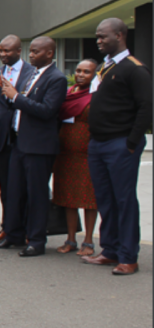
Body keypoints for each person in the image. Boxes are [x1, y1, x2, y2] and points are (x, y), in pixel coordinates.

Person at [82, 18, 152, 276]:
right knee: (106, 200)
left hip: (121, 144)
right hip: (97, 144)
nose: (98, 41)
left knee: (124, 201)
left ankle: (128, 257)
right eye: (97, 37)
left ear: (120, 35)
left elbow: (146, 107)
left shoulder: (135, 69)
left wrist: (132, 142)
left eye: (103, 36)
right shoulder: (104, 68)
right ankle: (110, 251)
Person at [0, 37, 67, 257]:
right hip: (19, 143)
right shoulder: (32, 75)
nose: (31, 55)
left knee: (36, 195)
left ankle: (36, 240)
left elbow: (46, 110)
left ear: (49, 54)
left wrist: (15, 96)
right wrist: (10, 93)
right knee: (14, 192)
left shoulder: (57, 78)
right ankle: (13, 235)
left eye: (35, 52)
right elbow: (18, 104)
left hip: (39, 147)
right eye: (31, 51)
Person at [0, 35, 32, 243]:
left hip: (26, 136)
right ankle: (7, 227)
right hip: (3, 138)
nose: (3, 55)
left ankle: (27, 230)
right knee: (6, 187)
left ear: (19, 51)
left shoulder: (32, 73)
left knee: (25, 187)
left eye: (8, 51)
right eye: (1, 51)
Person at [53, 59, 100, 257]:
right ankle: (70, 239)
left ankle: (88, 241)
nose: (81, 74)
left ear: (95, 75)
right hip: (65, 153)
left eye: (87, 72)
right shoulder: (68, 94)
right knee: (68, 198)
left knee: (89, 199)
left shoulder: (98, 96)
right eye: (78, 71)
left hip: (88, 154)